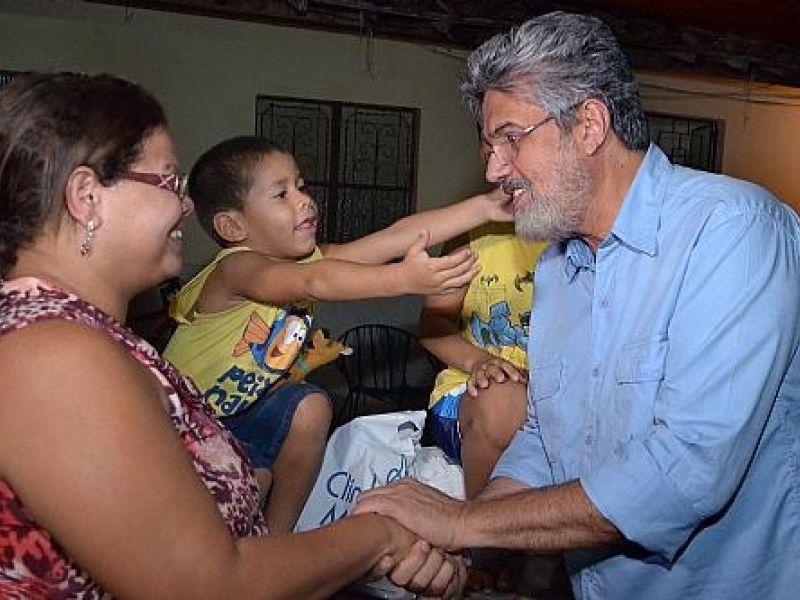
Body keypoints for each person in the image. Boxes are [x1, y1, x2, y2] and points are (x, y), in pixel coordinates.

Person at [355, 11, 800, 599]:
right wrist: (464, 546)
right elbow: (545, 441)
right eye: (489, 146)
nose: (494, 169)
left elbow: (687, 472)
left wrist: (462, 523)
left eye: (511, 138)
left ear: (589, 125)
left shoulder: (732, 229)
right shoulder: (557, 266)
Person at [0, 71, 465, 598]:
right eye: (169, 183)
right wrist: (380, 535)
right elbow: (207, 587)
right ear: (87, 196)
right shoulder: (51, 355)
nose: (185, 205)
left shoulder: (74, 337)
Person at [163, 135, 512, 533]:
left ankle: (280, 537)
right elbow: (313, 282)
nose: (304, 200)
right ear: (233, 225)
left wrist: (485, 207)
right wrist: (403, 278)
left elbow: (396, 236)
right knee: (242, 496)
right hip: (186, 424)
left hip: (247, 412)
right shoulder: (234, 268)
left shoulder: (307, 260)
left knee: (311, 405)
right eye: (281, 194)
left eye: (301, 186)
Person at [421, 223, 545, 498]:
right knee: (502, 399)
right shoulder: (472, 239)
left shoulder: (595, 243)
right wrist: (479, 362)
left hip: (554, 397)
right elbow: (432, 328)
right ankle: (483, 520)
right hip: (469, 396)